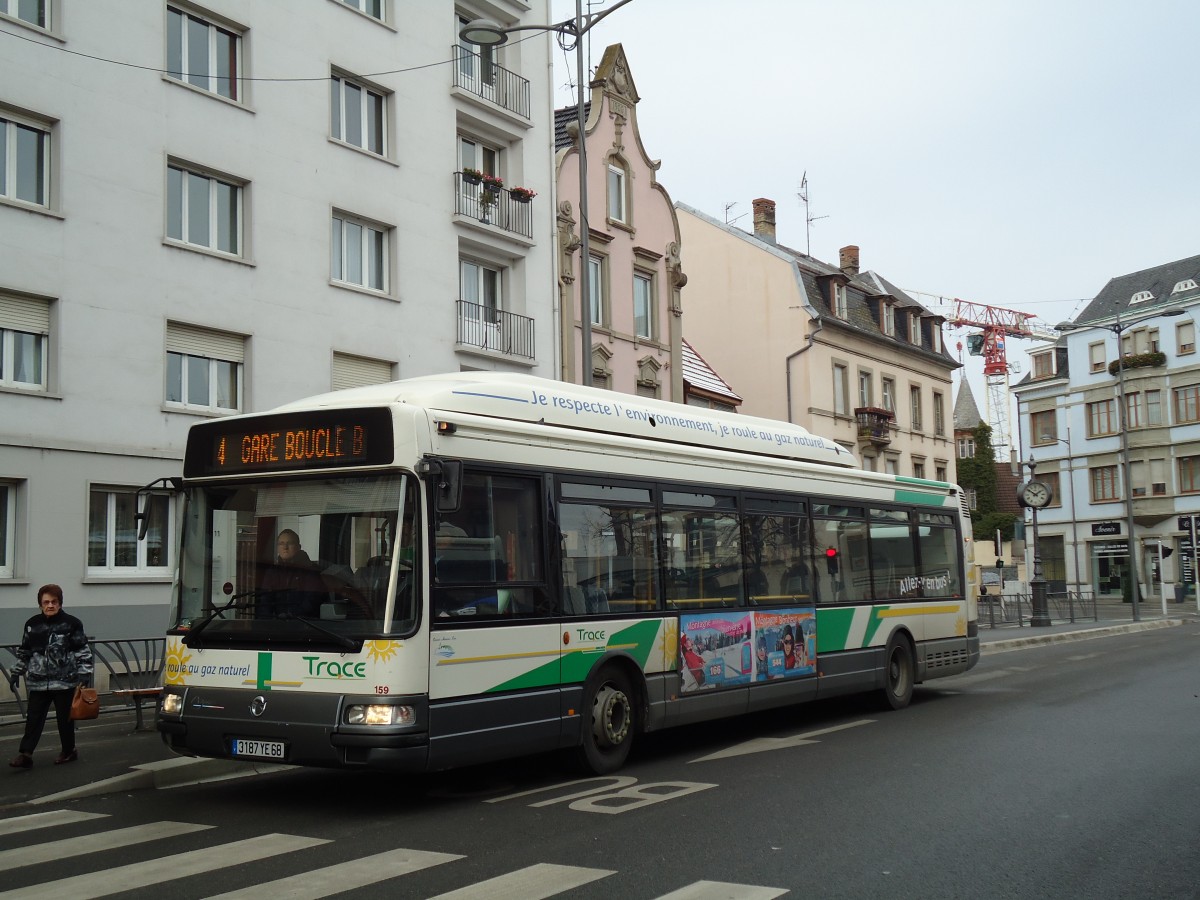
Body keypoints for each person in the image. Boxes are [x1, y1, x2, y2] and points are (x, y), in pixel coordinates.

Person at [9, 584, 94, 768]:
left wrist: (84, 674)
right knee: (33, 719)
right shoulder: (32, 624)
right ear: (40, 604)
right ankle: (26, 754)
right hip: (38, 681)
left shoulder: (72, 623)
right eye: (46, 602)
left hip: (64, 681)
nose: (50, 605)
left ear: (60, 603)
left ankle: (69, 751)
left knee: (65, 719)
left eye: (54, 602)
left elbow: (83, 651)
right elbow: (25, 652)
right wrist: (16, 673)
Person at [260, 529, 327, 618]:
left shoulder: (310, 570)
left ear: (299, 547)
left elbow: (312, 600)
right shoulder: (272, 572)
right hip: (277, 627)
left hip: (306, 626)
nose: (285, 547)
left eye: (290, 543)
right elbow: (265, 602)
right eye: (281, 543)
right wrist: (270, 621)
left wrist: (291, 615)